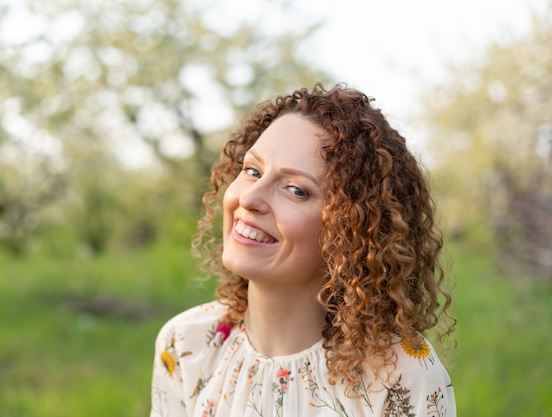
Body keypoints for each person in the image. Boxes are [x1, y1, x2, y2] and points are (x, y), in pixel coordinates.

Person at [150, 83, 456, 417]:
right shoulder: (186, 344)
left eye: (296, 190)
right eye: (252, 171)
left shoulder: (399, 377)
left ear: (352, 229)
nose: (250, 199)